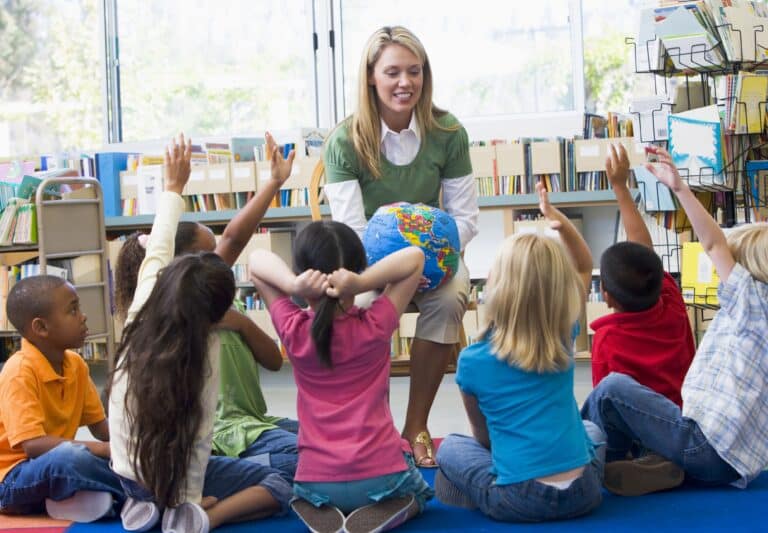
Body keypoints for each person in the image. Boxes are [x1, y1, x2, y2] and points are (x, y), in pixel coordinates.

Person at [107, 135, 292, 533]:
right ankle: (195, 514)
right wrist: (189, 503)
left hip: (129, 474)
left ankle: (141, 505)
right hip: (178, 478)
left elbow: (159, 248)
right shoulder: (203, 347)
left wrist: (173, 189)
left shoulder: (146, 304)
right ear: (215, 312)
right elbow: (200, 433)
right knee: (290, 477)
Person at [323, 25, 479, 467]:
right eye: (392, 72)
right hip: (370, 262)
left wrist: (431, 260)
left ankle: (416, 426)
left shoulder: (449, 132)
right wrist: (395, 272)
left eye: (415, 71)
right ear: (371, 76)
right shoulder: (344, 141)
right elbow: (350, 232)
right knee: (360, 301)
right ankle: (371, 429)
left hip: (436, 258)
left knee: (449, 297)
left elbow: (466, 219)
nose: (405, 82)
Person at [582, 146, 768, 496]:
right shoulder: (674, 303)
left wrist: (680, 188)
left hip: (703, 443)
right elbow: (647, 251)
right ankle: (663, 463)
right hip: (734, 464)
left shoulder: (750, 302)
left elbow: (713, 244)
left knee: (610, 390)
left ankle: (582, 468)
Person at [434, 183, 605, 522]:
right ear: (560, 289)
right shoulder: (564, 332)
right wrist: (558, 220)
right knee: (593, 431)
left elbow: (483, 439)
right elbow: (584, 267)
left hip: (518, 499)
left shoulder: (473, 360)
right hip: (585, 492)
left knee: (452, 447)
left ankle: (473, 492)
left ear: (496, 287)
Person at [249, 221, 434, 533]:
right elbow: (415, 257)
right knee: (420, 491)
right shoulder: (375, 325)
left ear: (302, 270)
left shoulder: (293, 329)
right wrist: (360, 283)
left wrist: (294, 286)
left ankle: (312, 506)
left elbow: (255, 261)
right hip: (381, 476)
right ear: (357, 268)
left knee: (306, 482)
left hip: (316, 481)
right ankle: (397, 505)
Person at [0, 275, 124, 522]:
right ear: (41, 328)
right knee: (71, 458)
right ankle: (147, 495)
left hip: (50, 474)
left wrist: (137, 440)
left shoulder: (75, 365)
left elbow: (100, 427)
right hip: (12, 479)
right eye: (73, 310)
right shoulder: (19, 371)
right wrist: (107, 450)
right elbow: (33, 446)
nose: (83, 316)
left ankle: (76, 501)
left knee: (89, 457)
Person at [591, 143, 695, 408]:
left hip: (643, 440)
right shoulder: (672, 305)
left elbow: (606, 406)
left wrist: (618, 185)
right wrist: (621, 187)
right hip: (687, 418)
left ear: (607, 296)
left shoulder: (607, 341)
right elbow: (643, 247)